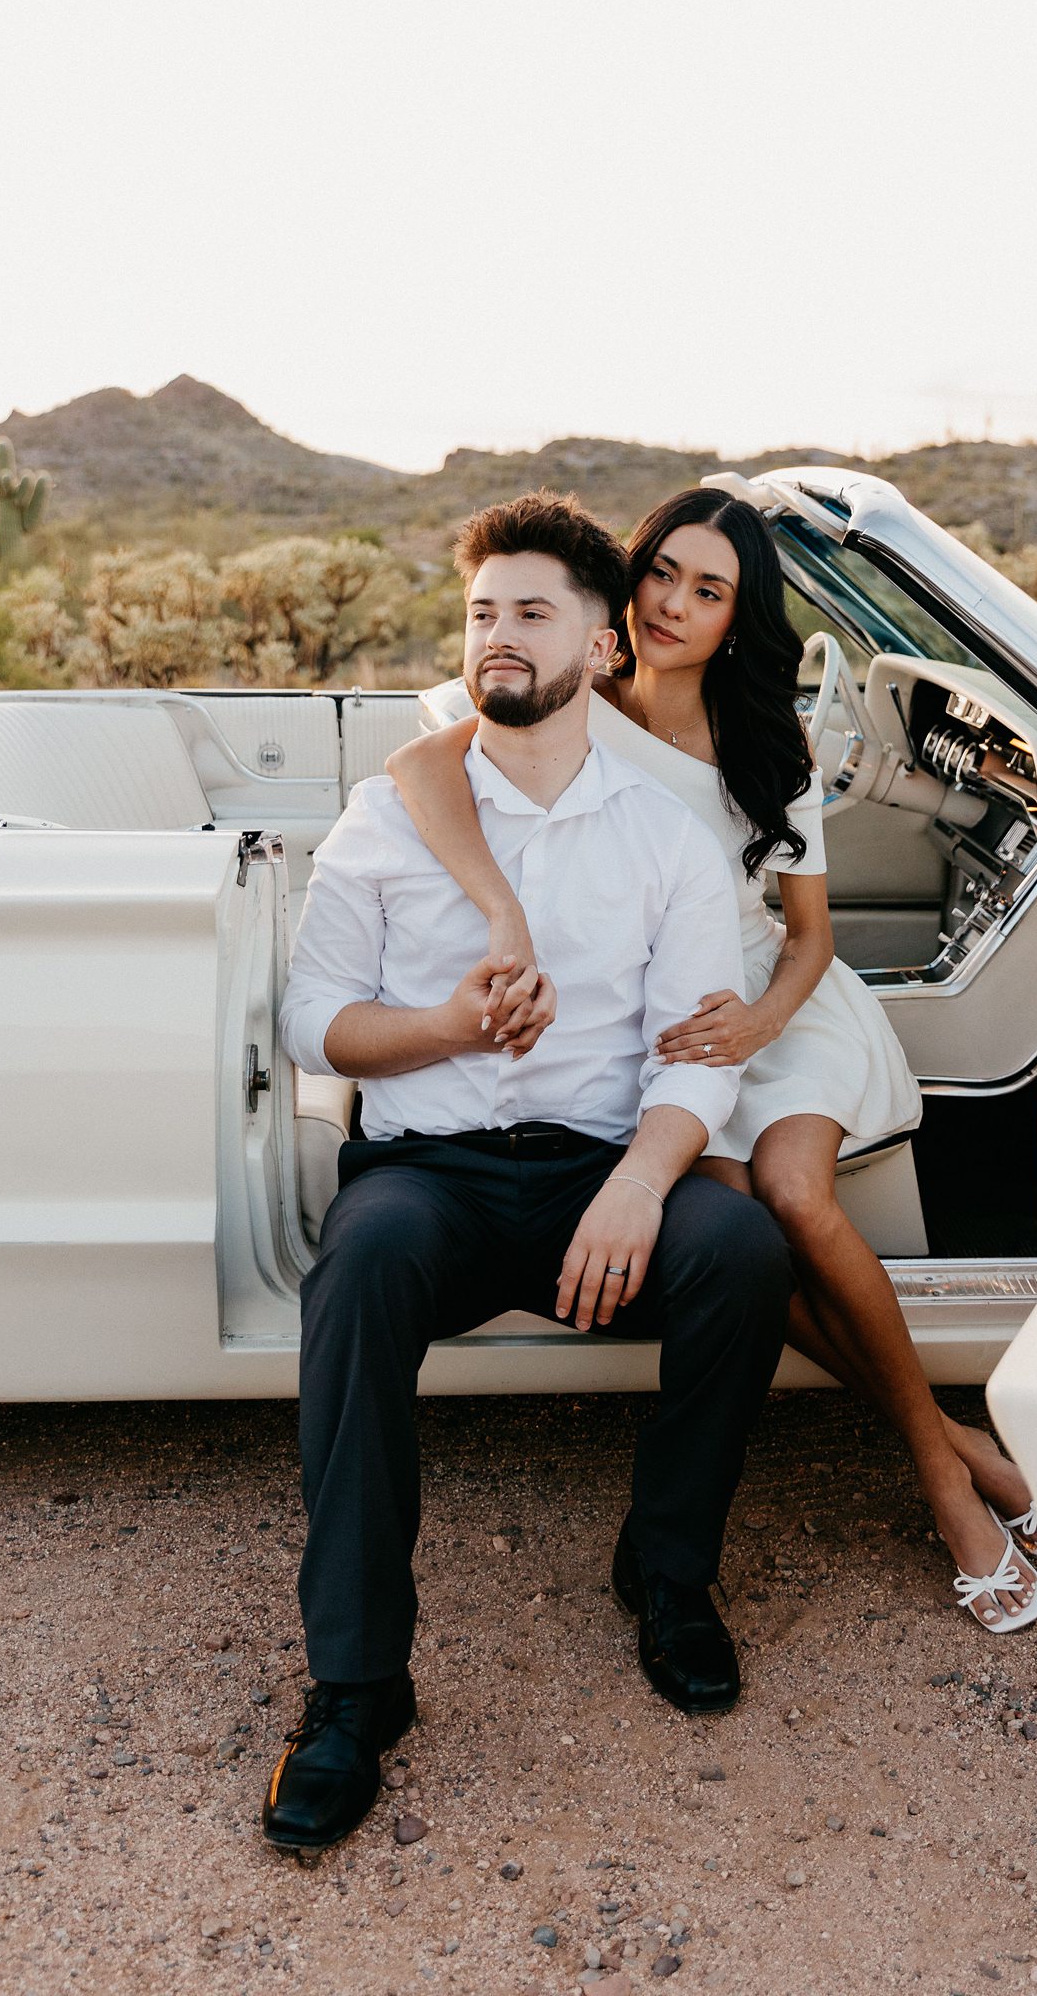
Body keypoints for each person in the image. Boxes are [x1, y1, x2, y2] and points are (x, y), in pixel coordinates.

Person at [389, 487, 1037, 1634]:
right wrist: (500, 911)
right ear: (624, 582)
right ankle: (948, 1437)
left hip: (775, 1006)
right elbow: (417, 770)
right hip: (659, 1014)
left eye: (708, 590)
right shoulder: (571, 695)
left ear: (738, 616)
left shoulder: (767, 738)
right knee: (736, 1230)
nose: (672, 606)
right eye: (660, 575)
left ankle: (942, 1479)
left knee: (792, 1188)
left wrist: (757, 1025)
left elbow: (809, 937)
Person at [268, 491, 795, 1855]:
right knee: (362, 1266)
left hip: (591, 1180)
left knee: (739, 1254)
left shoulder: (664, 837)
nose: (500, 636)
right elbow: (312, 1022)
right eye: (483, 613)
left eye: (533, 613)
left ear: (602, 640)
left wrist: (641, 1182)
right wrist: (446, 1026)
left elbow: (698, 1060)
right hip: (426, 1178)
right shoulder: (389, 821)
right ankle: (356, 1688)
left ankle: (669, 1572)